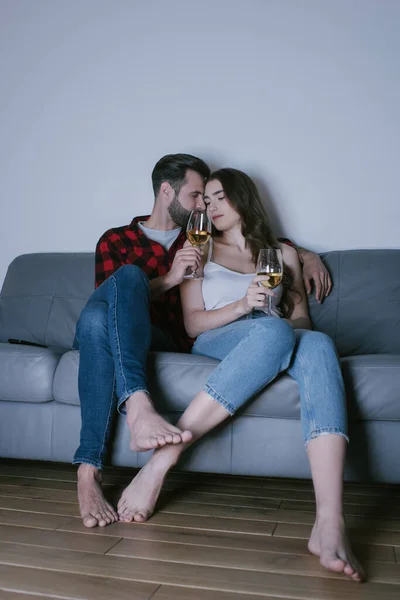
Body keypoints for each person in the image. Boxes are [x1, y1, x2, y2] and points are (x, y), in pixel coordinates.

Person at [116, 168, 364, 582]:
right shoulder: (198, 249)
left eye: (218, 198)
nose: (208, 207)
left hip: (272, 336)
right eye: (205, 200)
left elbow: (300, 320)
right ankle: (163, 461)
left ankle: (330, 522)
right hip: (217, 339)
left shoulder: (283, 256)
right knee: (271, 328)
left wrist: (280, 326)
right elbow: (194, 324)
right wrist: (245, 306)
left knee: (318, 344)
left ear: (242, 198)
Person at [73, 153, 332, 530]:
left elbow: (262, 238)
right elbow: (113, 312)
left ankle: (91, 467)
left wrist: (308, 257)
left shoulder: (200, 234)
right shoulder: (116, 239)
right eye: (197, 196)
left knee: (111, 306)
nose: (204, 206)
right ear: (166, 192)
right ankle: (110, 444)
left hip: (163, 340)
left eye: (210, 199)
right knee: (122, 287)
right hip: (116, 335)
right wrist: (170, 279)